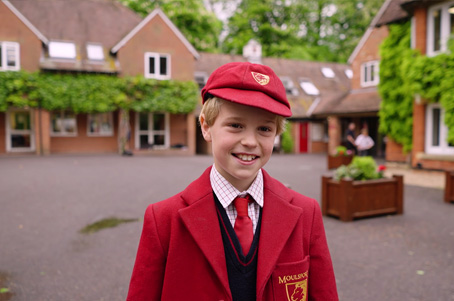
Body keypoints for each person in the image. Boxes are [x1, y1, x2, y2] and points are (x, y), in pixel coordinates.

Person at [126, 62, 338, 300]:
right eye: (236, 125)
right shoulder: (163, 220)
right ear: (206, 127)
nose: (250, 141)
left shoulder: (306, 213)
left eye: (264, 129)